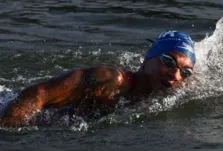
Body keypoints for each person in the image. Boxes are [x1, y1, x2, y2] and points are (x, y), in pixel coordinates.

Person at [0, 31, 196, 127]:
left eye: (185, 72)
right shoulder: (111, 79)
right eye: (168, 61)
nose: (175, 75)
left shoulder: (174, 90)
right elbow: (38, 94)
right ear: (147, 59)